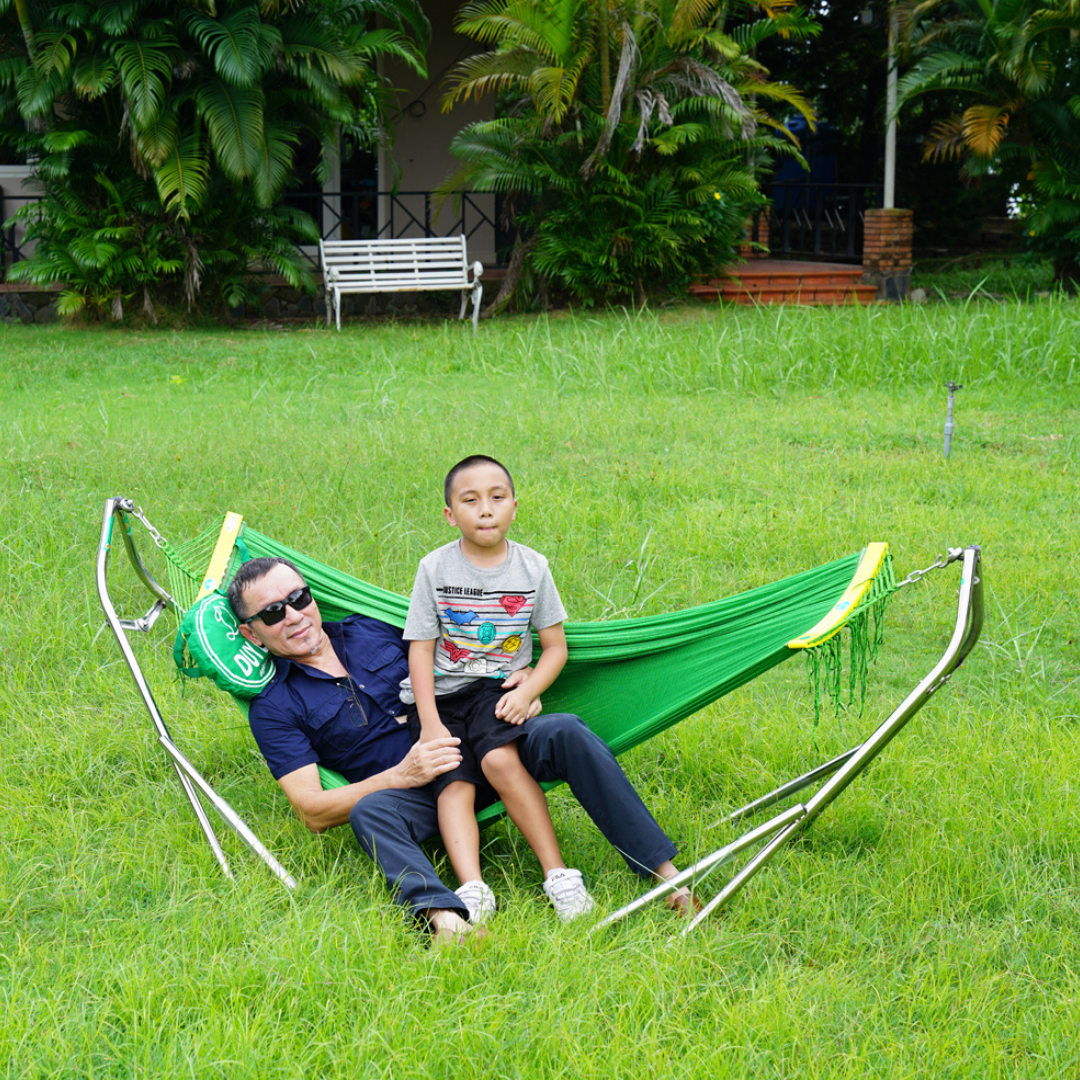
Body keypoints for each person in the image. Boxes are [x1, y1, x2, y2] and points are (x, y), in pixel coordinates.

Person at [229, 557, 698, 945]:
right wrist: (401, 775)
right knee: (370, 812)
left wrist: (525, 680)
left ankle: (667, 877)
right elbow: (311, 809)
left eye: (299, 598)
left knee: (566, 730)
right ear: (252, 633)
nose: (294, 616)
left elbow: (467, 653)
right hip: (425, 796)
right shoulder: (274, 706)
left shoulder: (373, 627)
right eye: (272, 613)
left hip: (491, 743)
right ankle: (449, 923)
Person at [400, 455, 588, 925]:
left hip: (496, 690)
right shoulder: (434, 568)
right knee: (453, 781)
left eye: (497, 497)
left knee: (501, 761)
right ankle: (473, 888)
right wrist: (430, 725)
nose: (486, 509)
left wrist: (528, 691)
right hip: (440, 697)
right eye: (471, 500)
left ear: (514, 507)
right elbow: (420, 651)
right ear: (450, 515)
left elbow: (556, 648)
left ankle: (559, 875)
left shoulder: (532, 567)